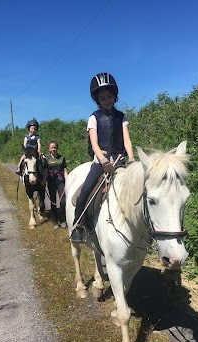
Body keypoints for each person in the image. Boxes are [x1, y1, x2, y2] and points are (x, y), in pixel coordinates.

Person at [70, 72, 135, 243]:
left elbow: (127, 141)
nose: (106, 100)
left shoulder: (122, 117)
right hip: (101, 162)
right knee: (85, 191)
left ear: (115, 96)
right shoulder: (94, 118)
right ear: (97, 100)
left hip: (119, 161)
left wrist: (132, 159)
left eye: (109, 96)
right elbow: (95, 144)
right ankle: (78, 226)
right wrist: (104, 161)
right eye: (102, 97)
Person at [46, 141, 68, 229]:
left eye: (54, 147)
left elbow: (65, 170)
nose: (53, 149)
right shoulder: (46, 159)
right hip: (51, 181)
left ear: (57, 148)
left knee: (63, 201)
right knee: (53, 201)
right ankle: (55, 220)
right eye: (52, 147)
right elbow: (45, 171)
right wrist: (43, 181)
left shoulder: (62, 158)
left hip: (60, 180)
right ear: (49, 149)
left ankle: (63, 220)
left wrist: (68, 180)